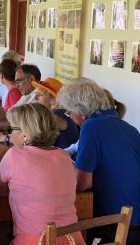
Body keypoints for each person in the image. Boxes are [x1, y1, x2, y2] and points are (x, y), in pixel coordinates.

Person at [57, 79, 140, 244]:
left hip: (115, 222)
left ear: (80, 112)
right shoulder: (129, 128)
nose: (70, 117)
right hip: (134, 220)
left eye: (68, 112)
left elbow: (82, 183)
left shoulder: (92, 127)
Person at [0, 103, 85, 245]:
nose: (9, 134)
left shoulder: (14, 155)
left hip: (36, 241)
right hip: (73, 240)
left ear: (25, 134)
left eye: (11, 129)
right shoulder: (64, 156)